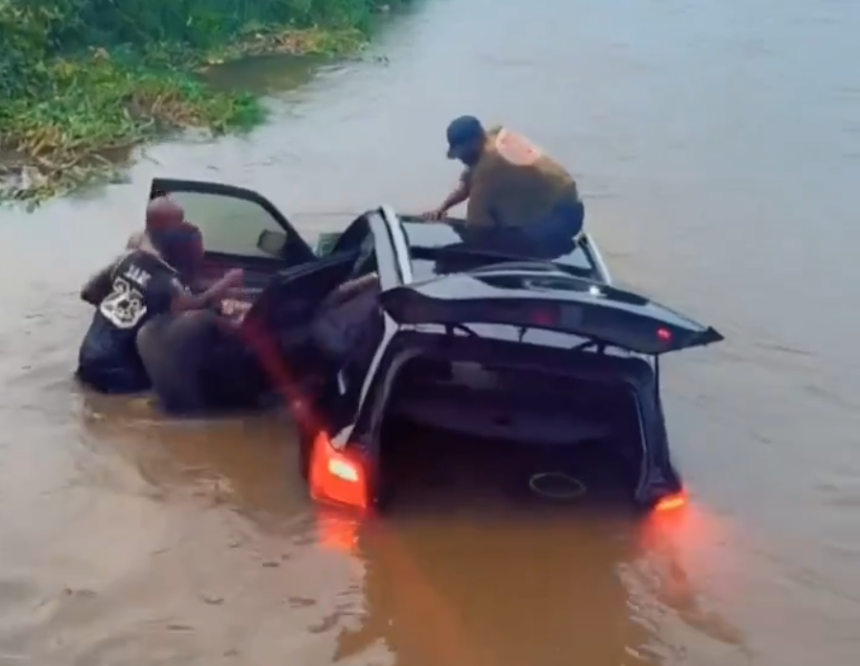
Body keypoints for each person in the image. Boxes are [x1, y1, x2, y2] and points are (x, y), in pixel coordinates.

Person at [76, 197, 243, 394]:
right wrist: (227, 282)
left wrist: (119, 314)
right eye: (179, 225)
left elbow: (87, 293)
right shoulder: (167, 283)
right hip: (120, 372)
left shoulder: (126, 260)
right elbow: (194, 307)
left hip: (88, 356)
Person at [422, 115, 585, 258]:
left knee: (494, 244)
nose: (461, 159)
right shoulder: (495, 137)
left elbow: (477, 228)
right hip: (569, 203)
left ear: (475, 142)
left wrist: (460, 252)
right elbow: (467, 184)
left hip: (561, 219)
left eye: (462, 153)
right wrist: (442, 209)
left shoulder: (490, 167)